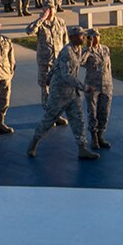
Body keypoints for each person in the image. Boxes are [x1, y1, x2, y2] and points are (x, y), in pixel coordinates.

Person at [26, 27, 97, 161]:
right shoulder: (67, 52)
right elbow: (66, 76)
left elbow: (79, 61)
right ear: (73, 37)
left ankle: (82, 148)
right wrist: (84, 87)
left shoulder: (77, 49)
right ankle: (33, 144)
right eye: (81, 36)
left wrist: (89, 48)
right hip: (59, 93)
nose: (83, 37)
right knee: (49, 119)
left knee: (78, 120)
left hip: (72, 93)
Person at [79, 27, 113, 151]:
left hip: (106, 85)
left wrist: (110, 83)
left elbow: (108, 67)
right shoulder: (86, 51)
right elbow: (80, 62)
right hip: (92, 86)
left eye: (97, 36)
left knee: (104, 111)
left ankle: (100, 135)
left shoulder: (105, 49)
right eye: (92, 36)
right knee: (92, 113)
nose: (96, 38)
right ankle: (93, 137)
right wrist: (88, 48)